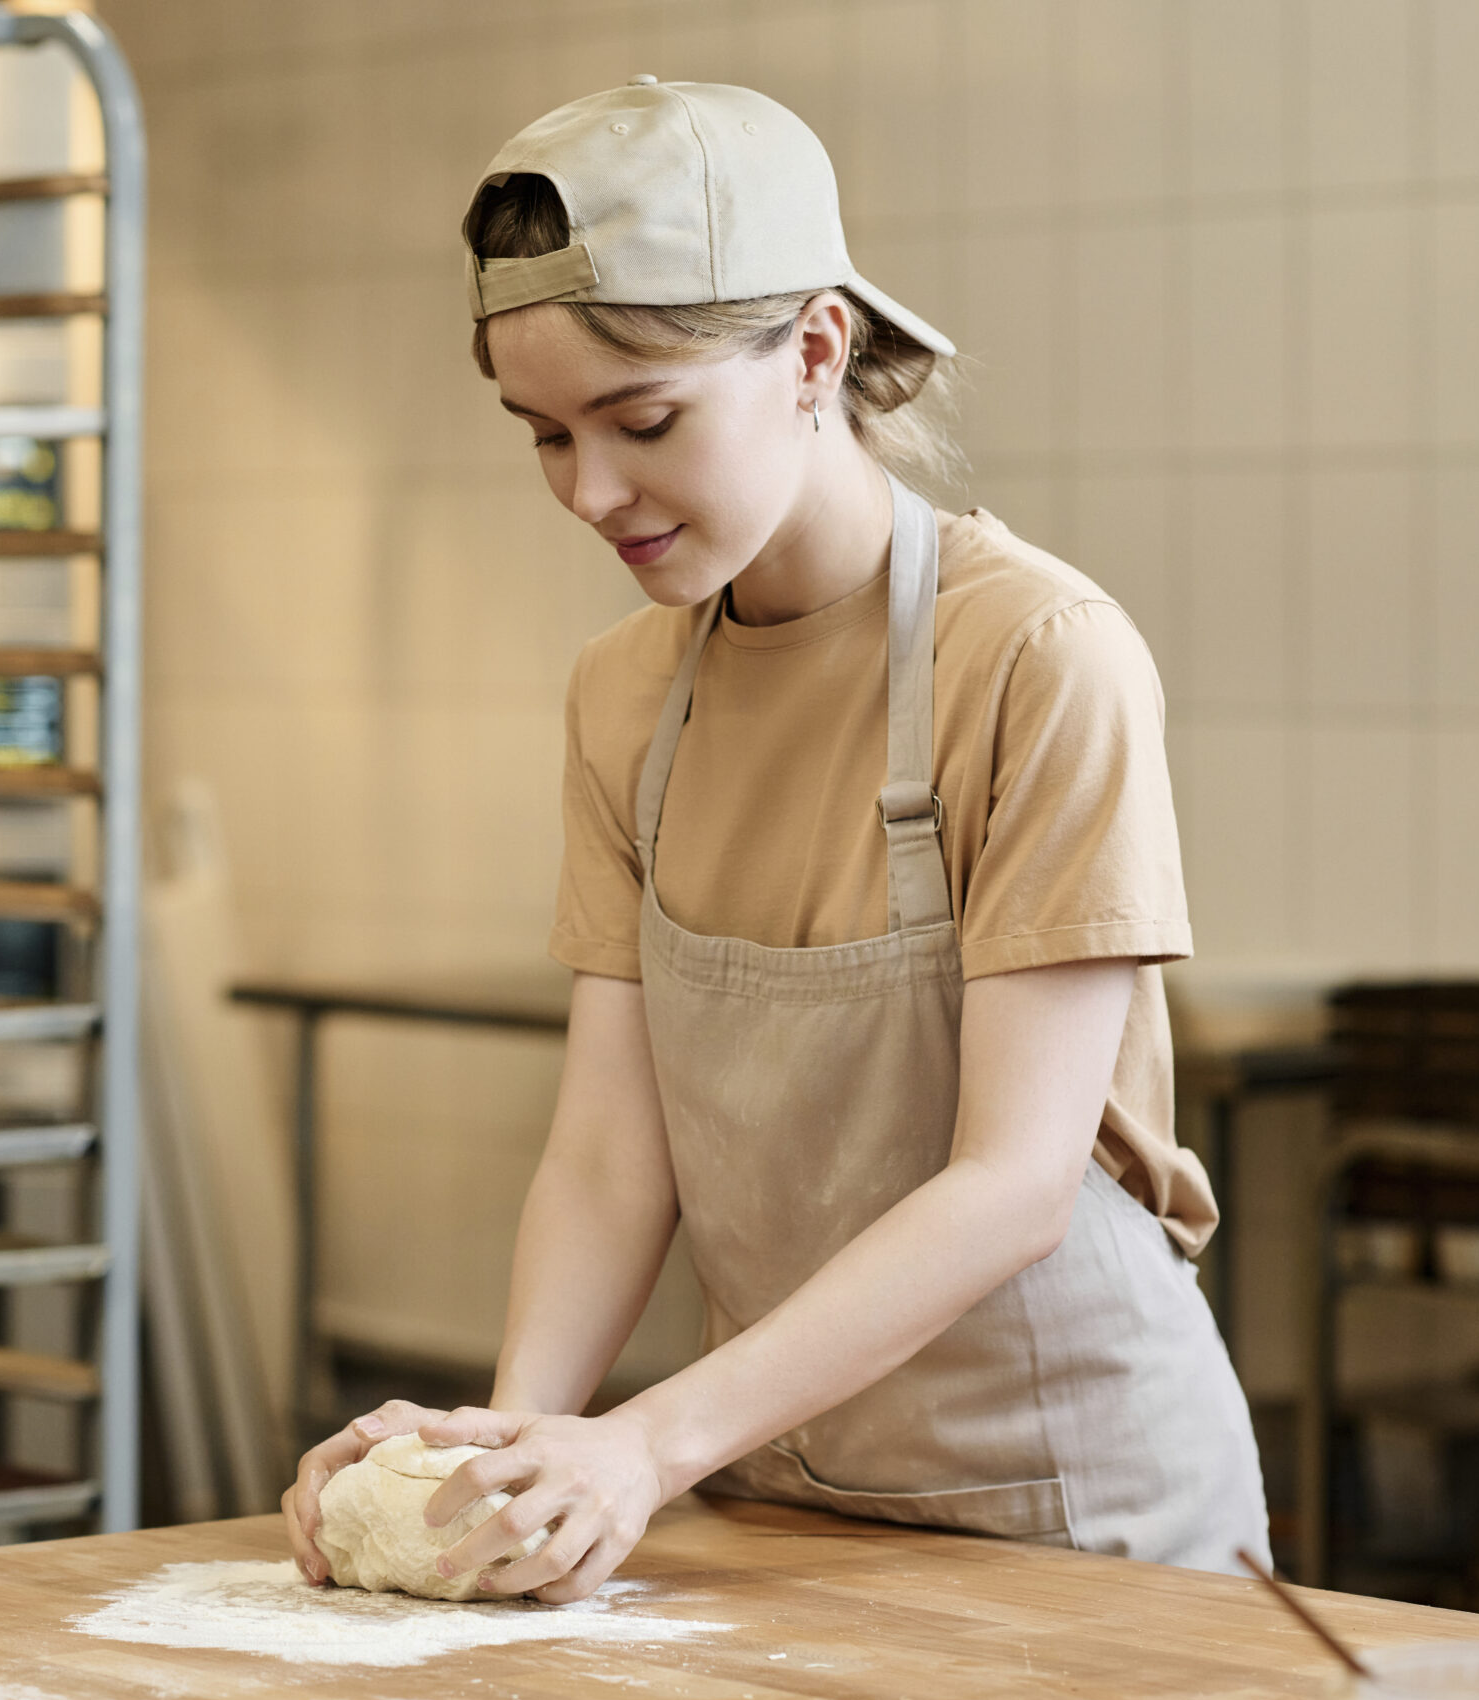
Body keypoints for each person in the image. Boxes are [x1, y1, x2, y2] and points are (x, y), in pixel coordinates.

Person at [283, 77, 1268, 1606]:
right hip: (786, 1506)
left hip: (1082, 1523)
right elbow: (616, 1157)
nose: (590, 492)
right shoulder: (623, 700)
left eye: (644, 420)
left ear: (816, 350)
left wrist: (649, 1446)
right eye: (544, 435)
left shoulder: (1039, 657)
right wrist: (521, 1443)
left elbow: (1011, 1181)